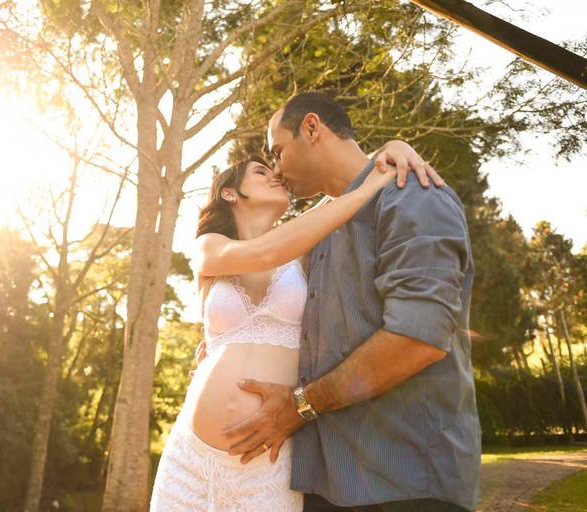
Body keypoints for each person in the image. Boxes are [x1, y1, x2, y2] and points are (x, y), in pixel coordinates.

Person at [148, 129, 443, 510]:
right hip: (191, 458)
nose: (275, 172)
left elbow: (345, 190)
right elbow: (264, 251)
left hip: (270, 457)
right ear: (229, 193)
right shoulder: (209, 248)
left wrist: (394, 148)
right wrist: (364, 190)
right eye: (260, 171)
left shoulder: (305, 254)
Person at [219, 91, 480, 511]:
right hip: (324, 485)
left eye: (278, 151)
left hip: (406, 486)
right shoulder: (316, 226)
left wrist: (298, 406)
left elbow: (420, 337)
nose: (276, 168)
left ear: (311, 128)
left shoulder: (412, 193)